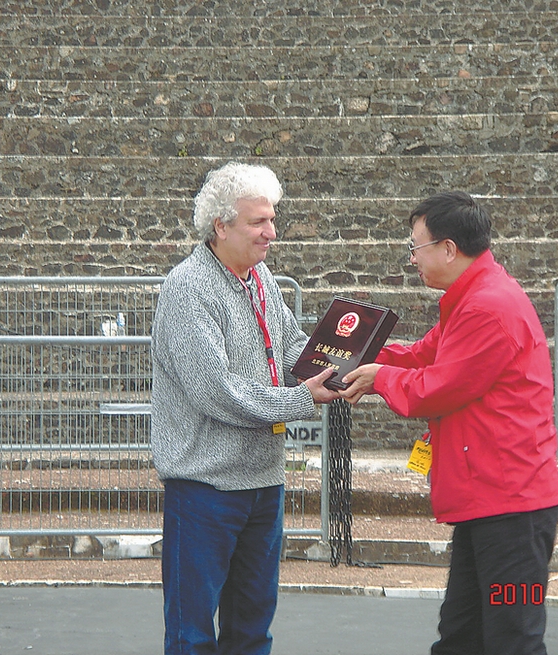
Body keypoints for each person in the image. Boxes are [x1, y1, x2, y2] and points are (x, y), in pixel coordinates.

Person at [339, 191, 558, 655]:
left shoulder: (486, 306)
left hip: (509, 504)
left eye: (415, 246)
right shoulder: (475, 296)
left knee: (511, 637)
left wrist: (379, 377)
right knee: (465, 634)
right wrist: (352, 356)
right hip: (494, 498)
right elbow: (423, 355)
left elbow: (437, 387)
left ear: (447, 248)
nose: (412, 258)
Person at [151, 161, 339, 655]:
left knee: (253, 631)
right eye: (259, 221)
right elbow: (215, 390)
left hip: (263, 482)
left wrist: (340, 366)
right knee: (193, 636)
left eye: (272, 219)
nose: (271, 232)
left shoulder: (261, 279)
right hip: (205, 487)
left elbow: (292, 346)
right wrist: (303, 397)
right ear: (221, 226)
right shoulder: (188, 288)